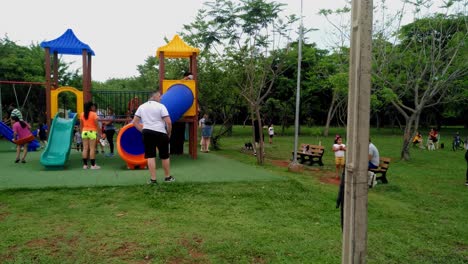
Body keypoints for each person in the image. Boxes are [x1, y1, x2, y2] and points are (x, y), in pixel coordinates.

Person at [132, 91, 174, 184]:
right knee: (165, 156)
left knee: (150, 156)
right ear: (153, 96)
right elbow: (169, 122)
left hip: (147, 132)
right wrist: (169, 133)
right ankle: (167, 178)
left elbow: (135, 122)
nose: (161, 98)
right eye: (159, 96)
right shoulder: (161, 106)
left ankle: (153, 179)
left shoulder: (141, 106)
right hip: (160, 132)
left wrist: (143, 130)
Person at [80, 101, 101, 169]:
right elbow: (97, 125)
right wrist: (99, 133)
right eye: (92, 106)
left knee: (85, 148)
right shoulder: (94, 114)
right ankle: (93, 165)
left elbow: (81, 125)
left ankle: (85, 165)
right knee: (92, 149)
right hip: (92, 132)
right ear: (90, 107)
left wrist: (81, 133)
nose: (93, 107)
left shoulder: (82, 114)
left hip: (84, 132)